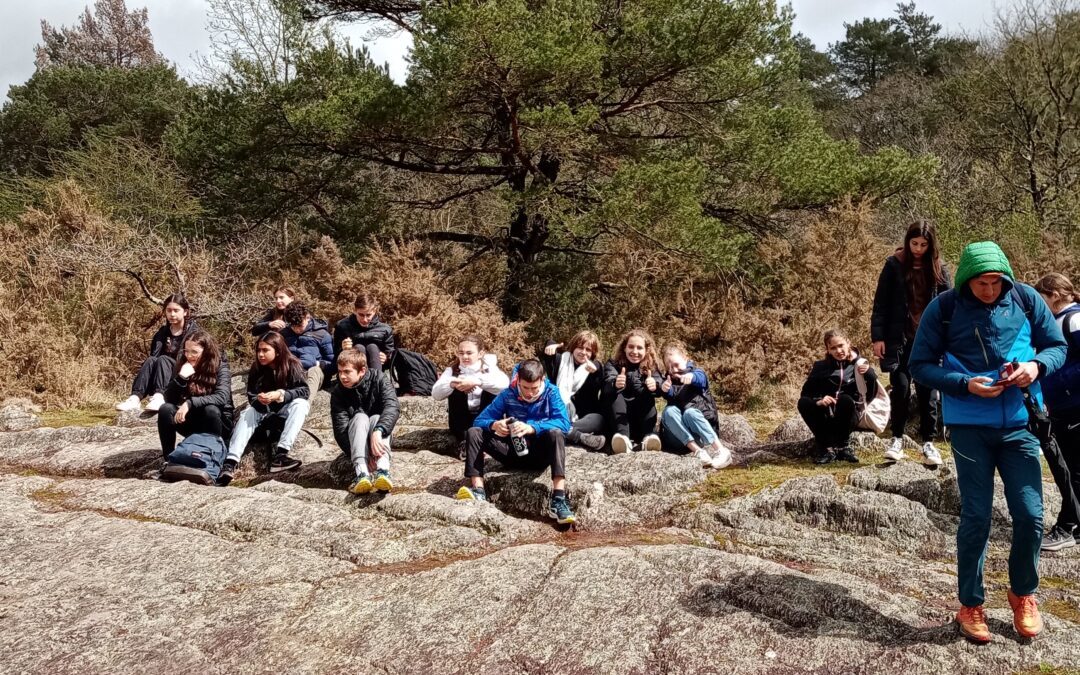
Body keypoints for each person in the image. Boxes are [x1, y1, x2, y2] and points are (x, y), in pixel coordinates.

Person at [910, 241, 1066, 643]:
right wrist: (964, 385)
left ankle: (1023, 593)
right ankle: (970, 603)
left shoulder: (1026, 298)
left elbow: (1057, 348)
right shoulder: (943, 309)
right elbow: (919, 366)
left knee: (1031, 516)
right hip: (968, 427)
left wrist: (1035, 367)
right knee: (976, 517)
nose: (990, 290)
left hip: (1020, 422)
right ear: (966, 279)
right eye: (982, 283)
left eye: (997, 282)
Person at [456, 359, 576, 525]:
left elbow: (564, 423)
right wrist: (494, 425)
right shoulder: (508, 394)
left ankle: (558, 499)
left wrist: (532, 428)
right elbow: (480, 420)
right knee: (474, 432)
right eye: (525, 387)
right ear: (518, 379)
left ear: (541, 379)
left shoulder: (552, 392)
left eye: (534, 388)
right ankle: (478, 490)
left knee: (556, 434)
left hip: (540, 455)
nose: (529, 393)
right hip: (511, 452)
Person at [871, 220, 951, 465]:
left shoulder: (939, 268)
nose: (918, 249)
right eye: (914, 243)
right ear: (907, 241)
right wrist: (878, 337)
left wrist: (950, 338)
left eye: (923, 244)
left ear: (931, 245)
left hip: (928, 341)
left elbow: (950, 305)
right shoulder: (893, 264)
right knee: (901, 389)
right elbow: (880, 304)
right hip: (898, 340)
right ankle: (896, 439)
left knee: (929, 393)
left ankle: (929, 443)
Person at [219, 332, 310, 485]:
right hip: (263, 418)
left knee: (301, 404)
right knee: (248, 412)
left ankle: (281, 455)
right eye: (258, 350)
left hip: (283, 418)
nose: (260, 354)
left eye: (265, 350)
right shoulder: (256, 368)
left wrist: (281, 394)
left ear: (278, 350)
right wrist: (260, 400)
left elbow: (304, 391)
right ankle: (230, 462)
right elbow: (251, 395)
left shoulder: (292, 364)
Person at [1034, 273, 1080, 552]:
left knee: (1072, 469)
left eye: (1041, 298)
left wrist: (1059, 383)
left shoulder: (1073, 320)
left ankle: (1067, 526)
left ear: (1053, 294)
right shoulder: (1059, 321)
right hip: (1063, 405)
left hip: (1074, 405)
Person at [797, 329, 877, 465]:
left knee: (845, 400)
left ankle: (842, 447)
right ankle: (826, 449)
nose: (838, 351)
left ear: (848, 343)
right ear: (828, 350)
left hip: (849, 415)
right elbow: (806, 393)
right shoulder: (820, 367)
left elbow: (871, 394)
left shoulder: (859, 364)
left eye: (841, 345)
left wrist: (869, 374)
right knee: (803, 403)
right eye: (833, 348)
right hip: (826, 415)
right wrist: (819, 401)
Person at [157, 330, 234, 458]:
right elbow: (168, 398)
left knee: (211, 410)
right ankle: (168, 458)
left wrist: (189, 403)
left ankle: (216, 456)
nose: (189, 356)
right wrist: (181, 377)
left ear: (206, 352)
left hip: (217, 421)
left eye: (194, 352)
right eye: (186, 351)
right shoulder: (183, 365)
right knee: (165, 409)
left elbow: (222, 397)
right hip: (193, 420)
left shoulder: (221, 367)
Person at [332, 349, 400, 494]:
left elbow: (392, 407)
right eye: (340, 372)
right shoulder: (338, 393)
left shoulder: (379, 379)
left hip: (379, 437)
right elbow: (341, 430)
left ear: (362, 371)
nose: (342, 376)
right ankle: (362, 473)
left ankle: (383, 470)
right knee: (360, 417)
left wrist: (378, 430)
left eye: (347, 372)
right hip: (356, 440)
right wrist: (362, 454)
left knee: (376, 418)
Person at [116, 293, 198, 413]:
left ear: (185, 312)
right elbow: (154, 356)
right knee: (151, 360)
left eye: (176, 310)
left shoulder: (194, 333)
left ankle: (161, 396)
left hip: (183, 378)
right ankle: (135, 398)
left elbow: (197, 360)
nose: (172, 314)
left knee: (163, 359)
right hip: (162, 375)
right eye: (169, 310)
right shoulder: (162, 333)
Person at [659, 343, 733, 469]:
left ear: (686, 359)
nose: (674, 370)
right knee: (669, 411)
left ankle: (721, 451)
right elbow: (670, 393)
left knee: (690, 413)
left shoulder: (697, 373)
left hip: (700, 434)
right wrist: (665, 389)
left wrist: (691, 377)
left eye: (676, 365)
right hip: (678, 438)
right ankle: (698, 452)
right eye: (669, 367)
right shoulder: (667, 381)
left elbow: (701, 378)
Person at [431, 335, 510, 454]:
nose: (464, 357)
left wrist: (477, 382)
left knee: (493, 390)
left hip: (486, 416)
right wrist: (452, 384)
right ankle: (464, 442)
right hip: (461, 421)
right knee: (454, 386)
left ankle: (484, 443)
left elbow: (505, 384)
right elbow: (436, 394)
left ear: (480, 353)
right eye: (461, 353)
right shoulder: (452, 370)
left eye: (469, 353)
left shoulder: (490, 368)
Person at [540, 331, 606, 452]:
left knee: (599, 419)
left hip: (581, 417)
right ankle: (579, 436)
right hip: (558, 410)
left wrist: (594, 372)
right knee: (563, 404)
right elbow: (547, 350)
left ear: (593, 353)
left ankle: (561, 429)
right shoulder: (560, 360)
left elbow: (596, 389)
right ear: (573, 347)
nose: (583, 352)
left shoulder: (595, 368)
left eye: (588, 350)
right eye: (580, 347)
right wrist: (551, 345)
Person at [602, 329, 663, 454]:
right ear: (624, 348)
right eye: (631, 347)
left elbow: (660, 384)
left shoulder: (651, 366)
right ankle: (622, 439)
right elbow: (606, 384)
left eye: (639, 348)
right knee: (616, 394)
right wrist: (614, 383)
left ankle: (649, 437)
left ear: (646, 350)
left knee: (647, 394)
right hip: (618, 422)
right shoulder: (613, 364)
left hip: (641, 421)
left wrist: (655, 386)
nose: (635, 352)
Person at [333, 292, 396, 378]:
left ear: (374, 311)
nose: (365, 319)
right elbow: (335, 356)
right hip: (352, 370)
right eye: (361, 315)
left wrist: (386, 358)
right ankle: (361, 383)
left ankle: (376, 382)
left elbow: (391, 355)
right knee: (359, 348)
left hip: (376, 365)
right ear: (355, 310)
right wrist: (343, 349)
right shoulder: (342, 326)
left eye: (368, 315)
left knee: (372, 347)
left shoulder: (385, 329)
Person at [282, 300, 335, 397]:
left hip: (314, 373)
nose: (297, 330)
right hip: (292, 372)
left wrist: (318, 364)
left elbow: (333, 363)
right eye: (293, 326)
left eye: (300, 326)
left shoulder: (322, 334)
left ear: (308, 317)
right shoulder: (284, 334)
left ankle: (304, 403)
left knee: (314, 371)